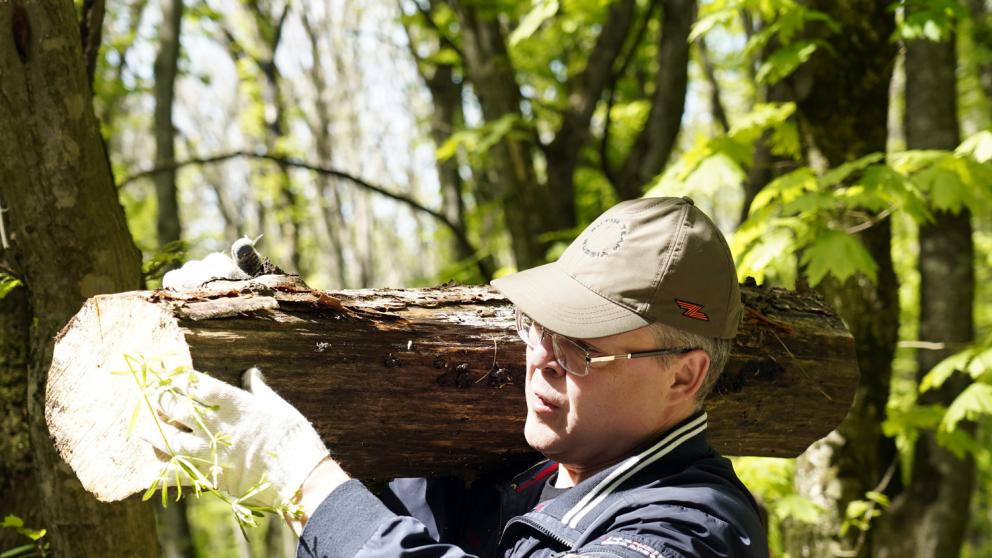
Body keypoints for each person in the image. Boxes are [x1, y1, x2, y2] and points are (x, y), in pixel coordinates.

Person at [151, 196, 768, 558]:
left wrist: (302, 479)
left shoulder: (691, 528)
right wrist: (272, 333)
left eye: (580, 347)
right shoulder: (520, 474)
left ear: (684, 377)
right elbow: (384, 515)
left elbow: (338, 509)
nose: (542, 357)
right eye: (538, 324)